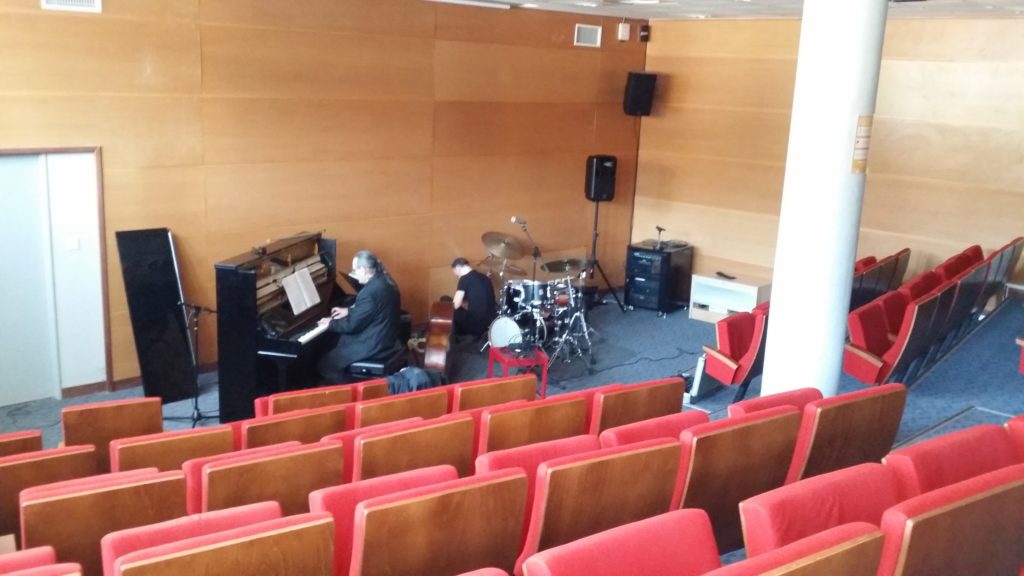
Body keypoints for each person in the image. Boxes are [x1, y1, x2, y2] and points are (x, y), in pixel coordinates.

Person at [317, 250, 402, 383]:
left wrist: (329, 323)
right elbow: (372, 311)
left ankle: (346, 393)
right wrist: (349, 311)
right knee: (331, 346)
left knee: (326, 364)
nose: (354, 273)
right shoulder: (386, 281)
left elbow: (352, 325)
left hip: (374, 344)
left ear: (363, 269)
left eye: (355, 270)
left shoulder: (368, 293)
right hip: (387, 337)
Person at [451, 257, 497, 338]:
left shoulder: (464, 279)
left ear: (457, 268)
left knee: (451, 312)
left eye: (455, 273)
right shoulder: (485, 277)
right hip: (491, 321)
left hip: (476, 324)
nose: (456, 275)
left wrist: (460, 281)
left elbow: (455, 305)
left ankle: (458, 341)